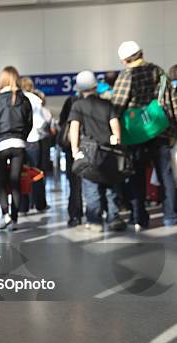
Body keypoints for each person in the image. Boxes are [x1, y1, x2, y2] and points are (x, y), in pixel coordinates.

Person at [111, 41, 177, 228]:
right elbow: (171, 101)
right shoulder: (158, 71)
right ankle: (170, 216)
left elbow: (117, 105)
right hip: (160, 130)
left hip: (135, 135)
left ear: (124, 60)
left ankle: (140, 217)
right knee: (165, 175)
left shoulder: (126, 76)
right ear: (141, 53)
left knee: (136, 176)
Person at [69, 70, 127, 232]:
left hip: (88, 152)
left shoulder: (77, 105)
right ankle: (114, 218)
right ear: (95, 86)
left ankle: (95, 221)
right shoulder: (107, 104)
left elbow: (75, 128)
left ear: (80, 89)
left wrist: (75, 150)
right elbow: (115, 124)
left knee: (91, 187)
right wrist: (116, 138)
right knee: (111, 186)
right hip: (108, 151)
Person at [0, 66, 33, 230]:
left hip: (0, 144)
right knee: (15, 182)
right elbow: (29, 123)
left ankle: (5, 214)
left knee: (1, 182)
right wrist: (22, 137)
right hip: (18, 144)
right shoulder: (24, 99)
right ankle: (14, 220)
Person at [19, 77, 50, 213]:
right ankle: (39, 203)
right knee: (35, 173)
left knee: (21, 174)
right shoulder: (35, 99)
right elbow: (41, 122)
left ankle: (23, 205)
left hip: (18, 141)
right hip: (33, 140)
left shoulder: (16, 98)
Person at [59, 93, 83, 227]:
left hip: (71, 150)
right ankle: (97, 212)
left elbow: (62, 121)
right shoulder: (92, 103)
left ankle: (75, 214)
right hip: (90, 146)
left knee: (74, 184)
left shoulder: (71, 101)